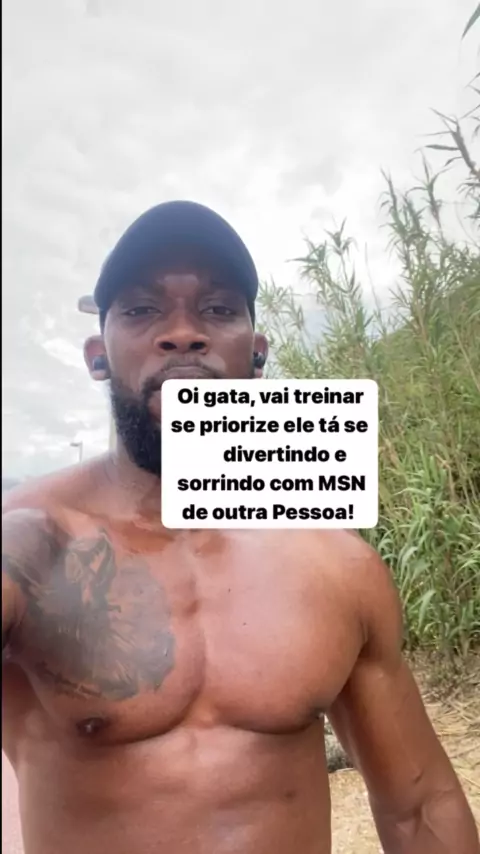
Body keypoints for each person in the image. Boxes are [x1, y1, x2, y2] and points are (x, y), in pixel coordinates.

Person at [2, 201, 478, 854]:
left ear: (256, 354)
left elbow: (418, 806)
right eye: (142, 310)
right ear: (98, 357)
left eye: (218, 308)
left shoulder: (335, 564)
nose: (182, 333)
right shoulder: (28, 548)